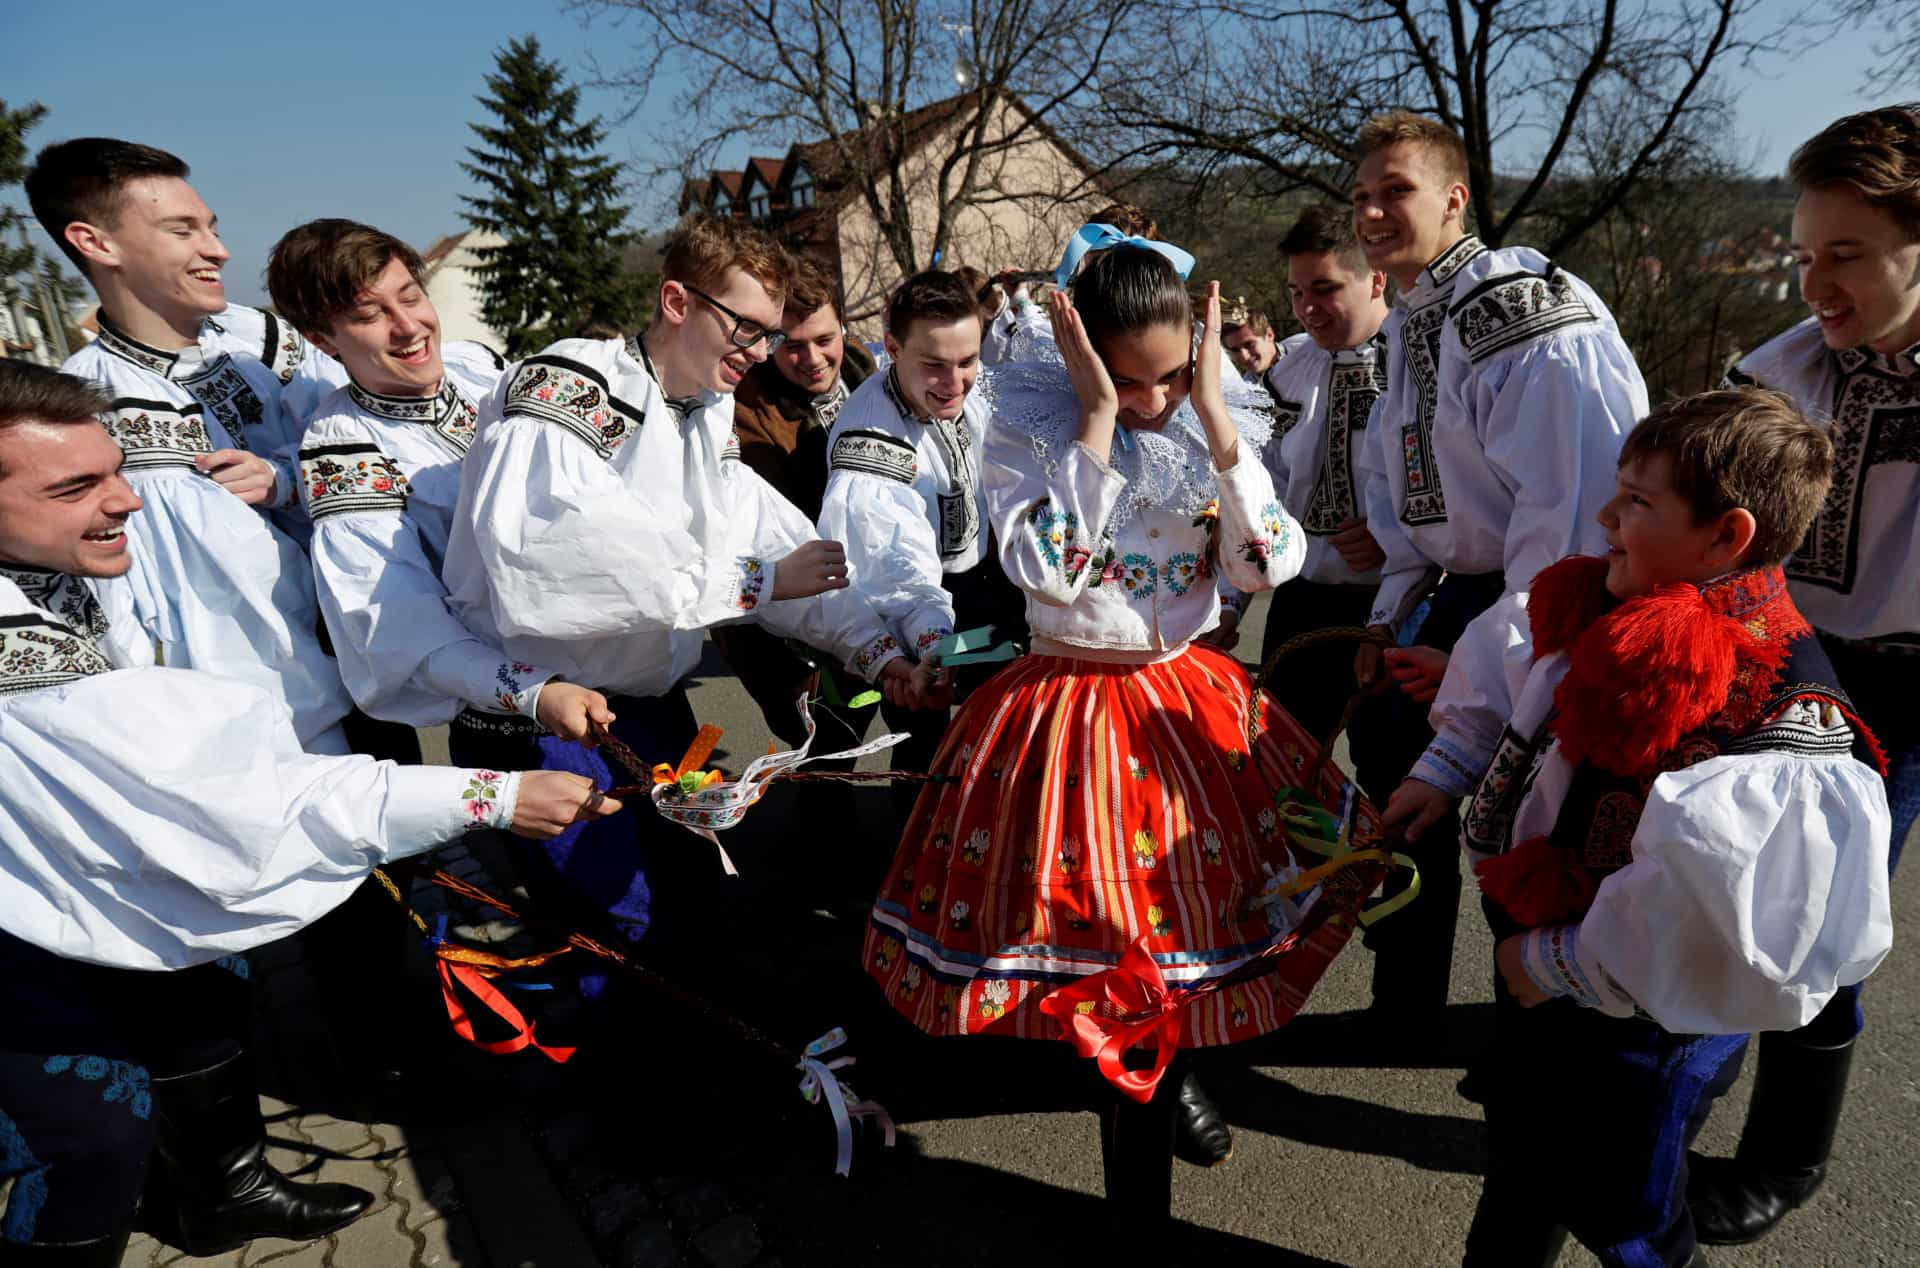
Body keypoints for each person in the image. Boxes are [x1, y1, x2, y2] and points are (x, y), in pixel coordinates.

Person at [0, 360, 615, 1264]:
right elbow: (210, 788)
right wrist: (493, 792)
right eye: (77, 486)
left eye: (119, 470)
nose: (129, 501)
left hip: (77, 863)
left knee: (203, 983)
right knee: (90, 1134)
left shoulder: (65, 562)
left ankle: (218, 1189)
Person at [864, 242, 1316, 1215]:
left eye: (1166, 378)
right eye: (1124, 380)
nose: (1152, 400)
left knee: (1185, 921)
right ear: (1082, 364)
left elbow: (1267, 564)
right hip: (1070, 709)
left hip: (1186, 708)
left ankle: (1168, 1078)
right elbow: (1048, 574)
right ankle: (1133, 1157)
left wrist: (1219, 433)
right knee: (1104, 939)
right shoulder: (1034, 431)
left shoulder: (1207, 422)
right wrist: (1100, 423)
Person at [1428, 387, 1891, 1267]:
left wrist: (1547, 961)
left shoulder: (1788, 726)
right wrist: (1442, 771)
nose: (1606, 515)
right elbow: (1519, 690)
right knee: (1525, 1167)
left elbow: (1719, 927)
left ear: (1728, 535)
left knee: (1626, 1212)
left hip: (1643, 1026)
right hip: (1547, 974)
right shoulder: (1630, 595)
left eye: (1638, 501)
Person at [442, 214, 923, 968]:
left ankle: (695, 1074)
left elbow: (764, 531)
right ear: (677, 302)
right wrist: (752, 582)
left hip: (650, 710)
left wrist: (871, 645)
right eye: (745, 327)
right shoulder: (570, 384)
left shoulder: (703, 407)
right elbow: (546, 561)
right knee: (617, 933)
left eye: (769, 332)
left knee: (693, 903)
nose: (759, 352)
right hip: (551, 718)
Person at [1349, 111, 1648, 1022]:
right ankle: (1405, 1009)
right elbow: (1411, 501)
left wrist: (1490, 671)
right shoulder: (1411, 323)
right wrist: (1387, 617)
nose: (1370, 213)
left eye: (1394, 191)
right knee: (1399, 794)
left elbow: (1568, 543)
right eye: (1360, 196)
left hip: (1554, 606)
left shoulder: (1518, 315)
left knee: (1517, 829)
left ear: (1454, 197)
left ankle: (1525, 1042)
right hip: (1461, 597)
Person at [1683, 103, 1920, 1247]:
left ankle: (1788, 1157)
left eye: (1848, 255)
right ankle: (1684, 1087)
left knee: (1827, 918)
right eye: (1805, 254)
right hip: (1781, 664)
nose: (1817, 284)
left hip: (1907, 690)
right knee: (1724, 886)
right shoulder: (1777, 373)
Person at [24, 138, 355, 754]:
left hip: (382, 667)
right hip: (274, 727)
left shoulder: (267, 338)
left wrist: (286, 477)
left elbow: (389, 453)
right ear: (95, 242)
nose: (217, 249)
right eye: (182, 231)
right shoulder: (87, 408)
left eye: (210, 226)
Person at [266, 218, 611, 758]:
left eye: (410, 296)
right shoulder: (345, 450)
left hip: (628, 679)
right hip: (536, 726)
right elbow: (401, 627)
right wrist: (533, 691)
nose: (408, 326)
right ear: (321, 339)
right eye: (369, 315)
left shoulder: (480, 367)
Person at [816, 269, 1027, 819]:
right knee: (927, 745)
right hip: (908, 607)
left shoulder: (965, 392)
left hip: (980, 584)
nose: (955, 382)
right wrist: (935, 646)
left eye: (967, 362)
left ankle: (995, 835)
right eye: (934, 364)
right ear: (892, 348)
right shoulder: (872, 440)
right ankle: (922, 876)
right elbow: (895, 565)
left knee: (1003, 708)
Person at [711, 255, 879, 754]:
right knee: (826, 744)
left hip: (883, 591)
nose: (812, 359)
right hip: (793, 617)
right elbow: (766, 535)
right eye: (791, 345)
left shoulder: (870, 373)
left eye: (825, 340)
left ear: (844, 329)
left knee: (921, 734)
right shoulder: (748, 414)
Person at [1254, 206, 1392, 739]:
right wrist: (1230, 600)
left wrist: (1399, 535)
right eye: (1296, 292)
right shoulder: (1287, 374)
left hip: (1396, 602)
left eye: (1325, 288)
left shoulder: (1420, 363)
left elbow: (1467, 485)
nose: (1308, 308)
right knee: (1281, 762)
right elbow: (1265, 490)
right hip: (1303, 598)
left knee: (1393, 779)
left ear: (1376, 278)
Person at [1220, 302, 1281, 383]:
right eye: (1235, 350)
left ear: (1269, 335)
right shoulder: (1245, 391)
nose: (1244, 356)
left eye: (1249, 345)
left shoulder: (1301, 350)